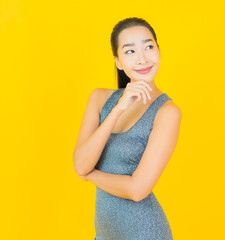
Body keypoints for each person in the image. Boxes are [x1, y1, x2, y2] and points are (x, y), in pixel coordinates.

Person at [72, 17, 182, 239]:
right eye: (130, 51)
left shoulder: (167, 112)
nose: (142, 59)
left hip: (144, 232)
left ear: (159, 51)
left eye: (149, 47)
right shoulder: (99, 98)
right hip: (105, 233)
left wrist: (89, 175)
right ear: (118, 62)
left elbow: (137, 189)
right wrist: (117, 110)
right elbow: (80, 162)